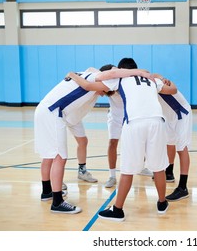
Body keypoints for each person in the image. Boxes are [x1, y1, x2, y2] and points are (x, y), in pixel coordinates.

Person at [67, 58, 177, 221]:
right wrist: (163, 78)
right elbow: (173, 90)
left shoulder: (119, 78)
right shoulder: (150, 79)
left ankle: (118, 210)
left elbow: (89, 86)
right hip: (157, 122)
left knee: (127, 170)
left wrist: (73, 75)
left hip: (134, 122)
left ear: (122, 69)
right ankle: (162, 203)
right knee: (158, 167)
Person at [35, 65, 150, 214]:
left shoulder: (84, 74)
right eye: (105, 89)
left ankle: (46, 192)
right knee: (59, 157)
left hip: (44, 110)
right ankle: (57, 202)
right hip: (53, 113)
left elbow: (94, 69)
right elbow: (112, 72)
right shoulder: (92, 78)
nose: (104, 93)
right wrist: (138, 72)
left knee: (49, 155)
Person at [104, 59, 153, 189]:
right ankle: (112, 175)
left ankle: (141, 167)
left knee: (140, 141)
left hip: (131, 116)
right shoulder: (112, 79)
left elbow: (147, 73)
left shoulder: (132, 80)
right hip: (115, 117)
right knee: (112, 143)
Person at [154, 75, 192, 201]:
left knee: (181, 148)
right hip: (169, 115)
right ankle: (169, 173)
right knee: (169, 142)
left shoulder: (154, 83)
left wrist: (162, 78)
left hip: (181, 113)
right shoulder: (143, 83)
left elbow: (172, 89)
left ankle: (183, 187)